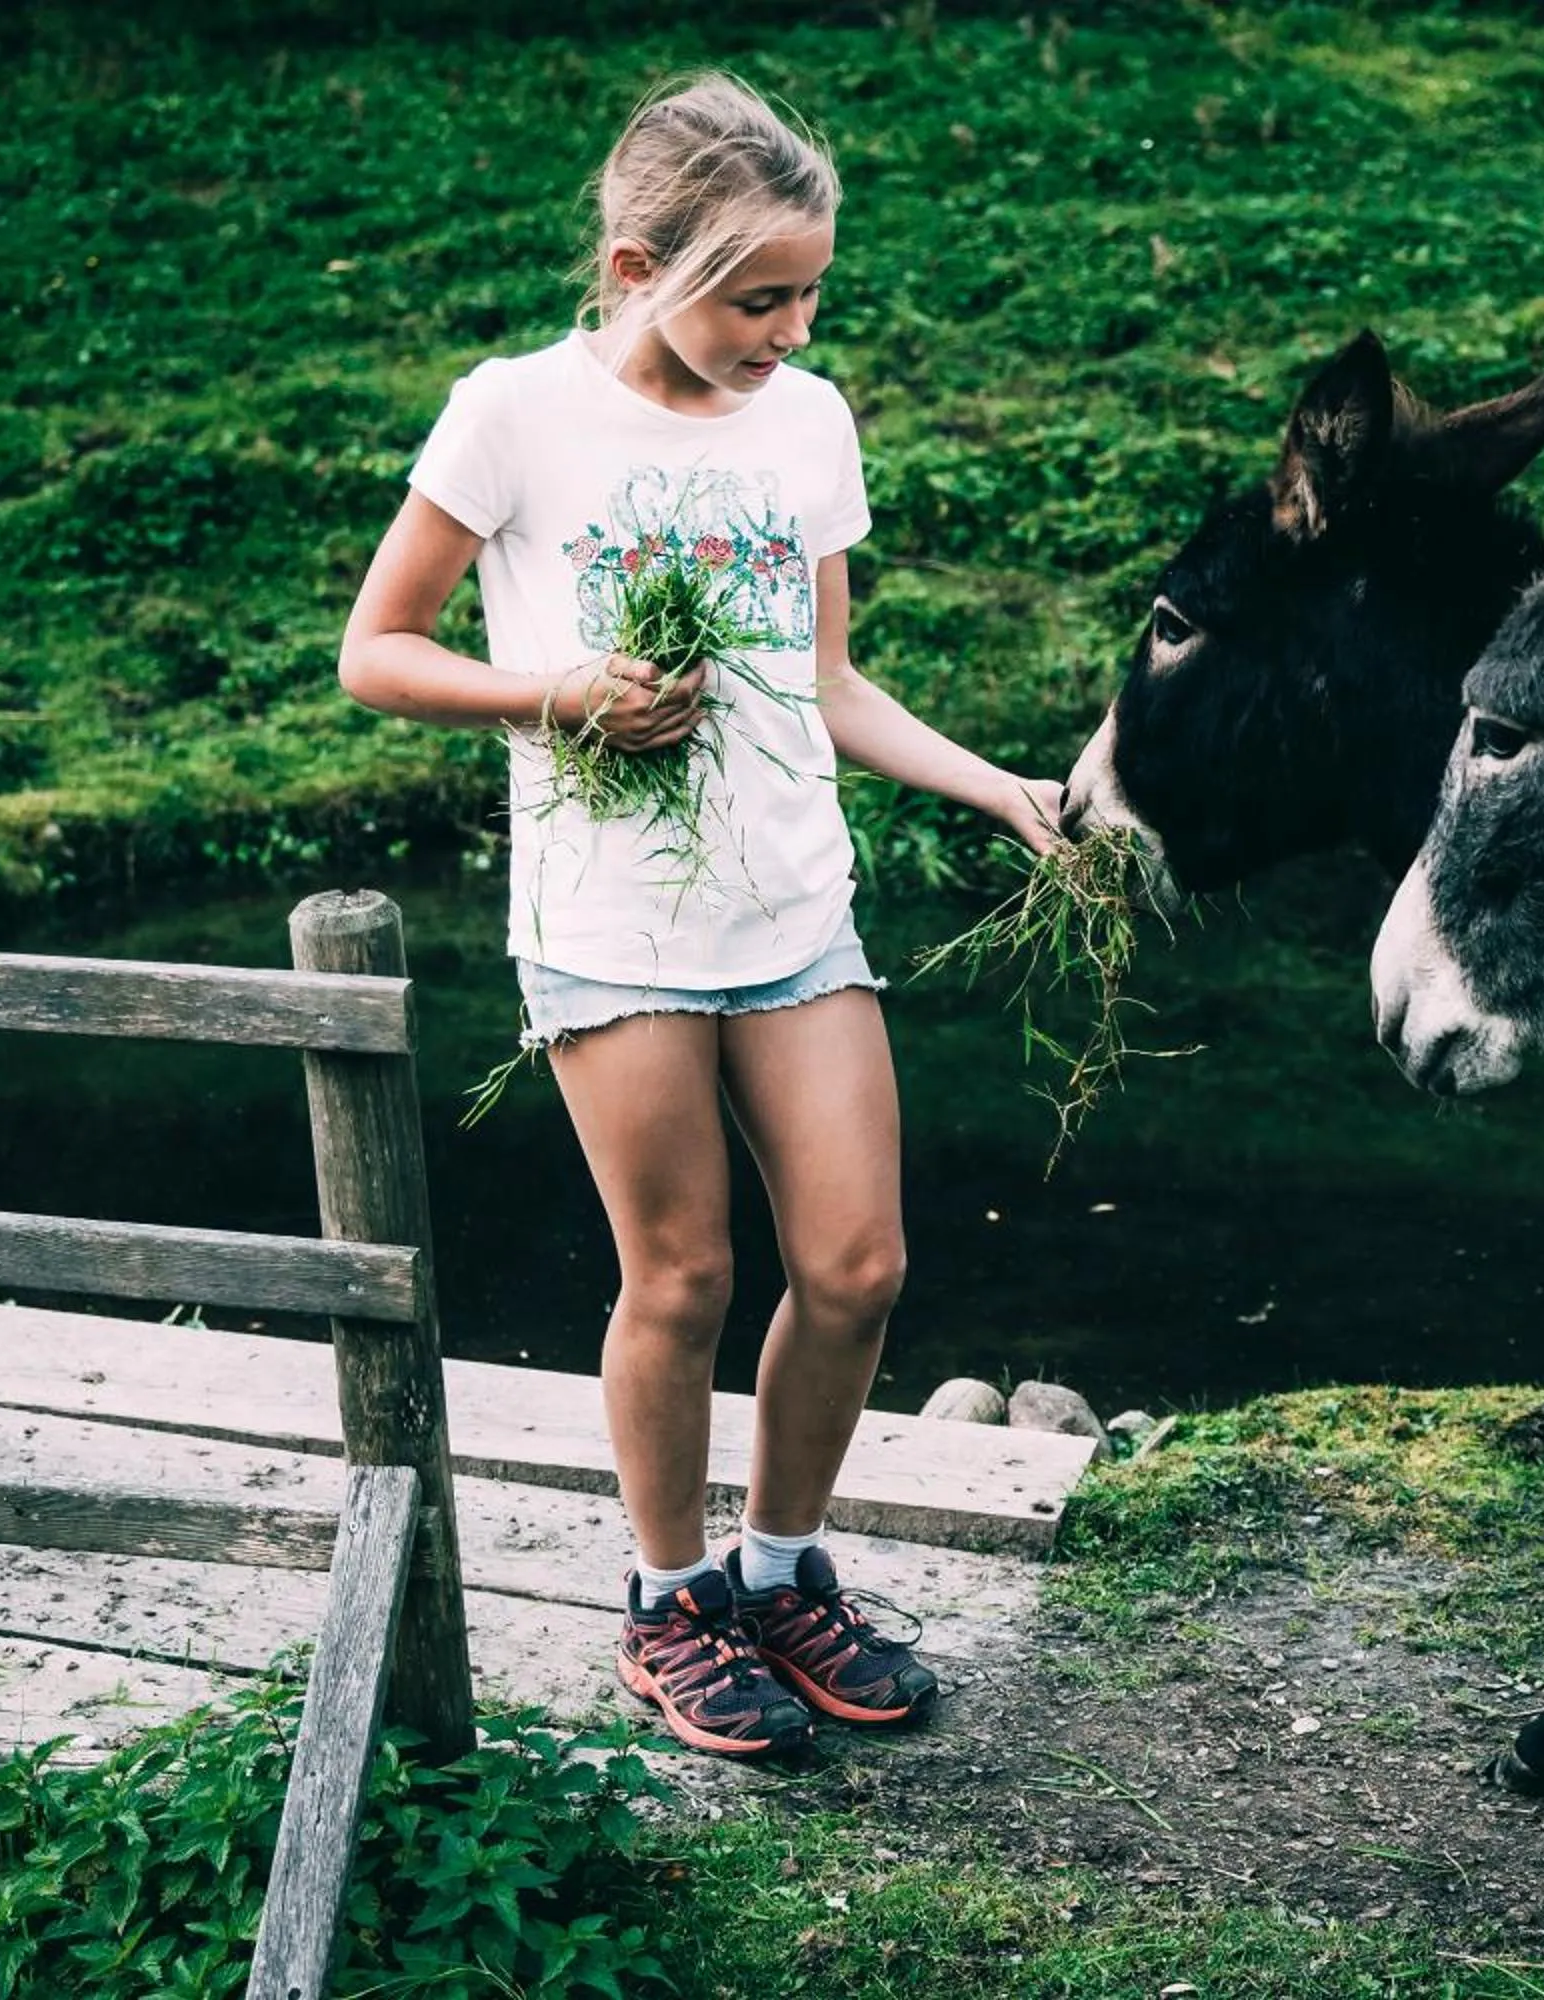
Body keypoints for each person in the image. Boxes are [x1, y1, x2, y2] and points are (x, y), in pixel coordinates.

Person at [338, 72, 1062, 1759]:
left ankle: (787, 1571)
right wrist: (557, 694)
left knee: (859, 1263)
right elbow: (379, 651)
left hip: (794, 904)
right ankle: (672, 1602)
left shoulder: (807, 422)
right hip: (613, 924)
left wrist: (998, 788)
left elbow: (827, 682)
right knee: (682, 1278)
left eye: (810, 292)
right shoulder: (513, 414)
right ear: (635, 260)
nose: (791, 329)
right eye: (759, 296)